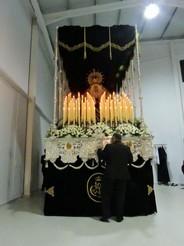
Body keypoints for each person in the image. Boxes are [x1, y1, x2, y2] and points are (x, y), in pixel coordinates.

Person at [97, 133, 133, 222]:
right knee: (120, 196)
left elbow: (103, 156)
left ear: (114, 139)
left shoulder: (109, 147)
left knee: (106, 195)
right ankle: (119, 217)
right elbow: (130, 160)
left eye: (111, 139)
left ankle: (106, 216)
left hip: (110, 175)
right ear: (120, 139)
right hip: (123, 175)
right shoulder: (126, 148)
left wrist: (99, 151)